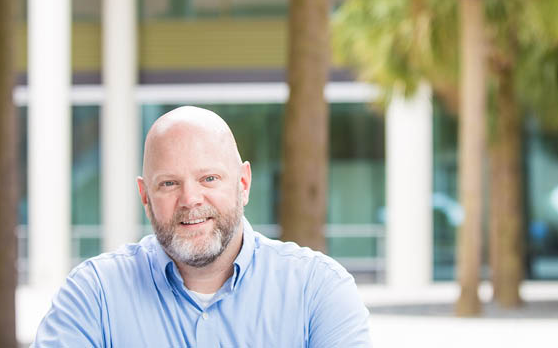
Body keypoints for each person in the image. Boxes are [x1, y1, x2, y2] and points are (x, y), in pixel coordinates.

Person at [32, 106, 372, 347]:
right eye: (168, 184)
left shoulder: (318, 290)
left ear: (243, 183)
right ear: (145, 195)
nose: (190, 199)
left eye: (209, 178)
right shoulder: (94, 295)